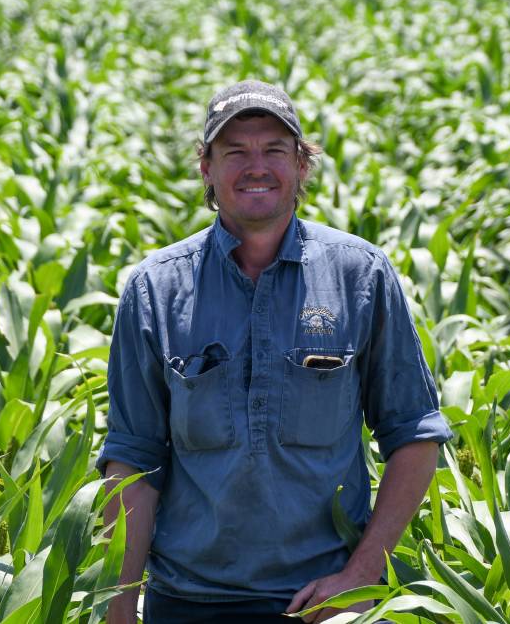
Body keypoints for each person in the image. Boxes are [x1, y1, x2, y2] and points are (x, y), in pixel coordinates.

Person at [97, 80, 452, 623]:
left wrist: (361, 575)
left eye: (274, 151)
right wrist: (120, 608)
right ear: (206, 169)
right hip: (187, 601)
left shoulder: (360, 275)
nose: (255, 166)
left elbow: (415, 435)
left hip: (324, 602)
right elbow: (133, 460)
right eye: (234, 151)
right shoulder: (156, 290)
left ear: (302, 166)